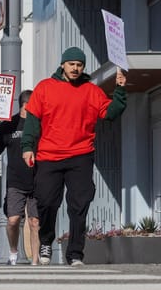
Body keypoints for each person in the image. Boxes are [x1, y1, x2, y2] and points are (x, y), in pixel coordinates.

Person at [21, 47, 127, 266]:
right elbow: (32, 120)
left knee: (79, 205)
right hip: (49, 155)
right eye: (71, 64)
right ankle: (46, 241)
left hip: (80, 155)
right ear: (63, 65)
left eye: (79, 65)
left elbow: (111, 112)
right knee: (47, 203)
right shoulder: (44, 88)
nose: (76, 68)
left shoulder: (92, 91)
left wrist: (120, 90)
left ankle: (75, 253)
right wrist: (27, 146)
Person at [0, 90, 39, 266]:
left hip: (37, 179)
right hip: (15, 181)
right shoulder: (9, 124)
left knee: (34, 221)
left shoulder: (40, 122)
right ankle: (13, 251)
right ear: (25, 105)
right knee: (13, 220)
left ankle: (35, 261)